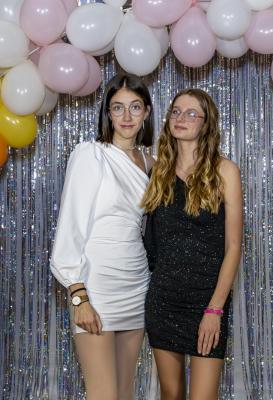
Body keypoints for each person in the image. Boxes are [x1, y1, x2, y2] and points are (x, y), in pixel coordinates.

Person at [50, 72, 155, 400]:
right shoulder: (91, 154)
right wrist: (79, 297)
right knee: (103, 394)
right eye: (118, 107)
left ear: (147, 112)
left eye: (135, 107)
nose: (126, 116)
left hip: (136, 285)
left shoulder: (151, 162)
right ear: (107, 113)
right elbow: (70, 226)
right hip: (96, 288)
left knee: (124, 392)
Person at [141, 88, 243, 399]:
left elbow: (233, 247)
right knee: (171, 394)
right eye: (175, 112)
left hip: (207, 300)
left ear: (206, 123)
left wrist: (214, 309)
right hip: (163, 300)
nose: (180, 118)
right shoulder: (157, 172)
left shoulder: (225, 171)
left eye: (190, 113)